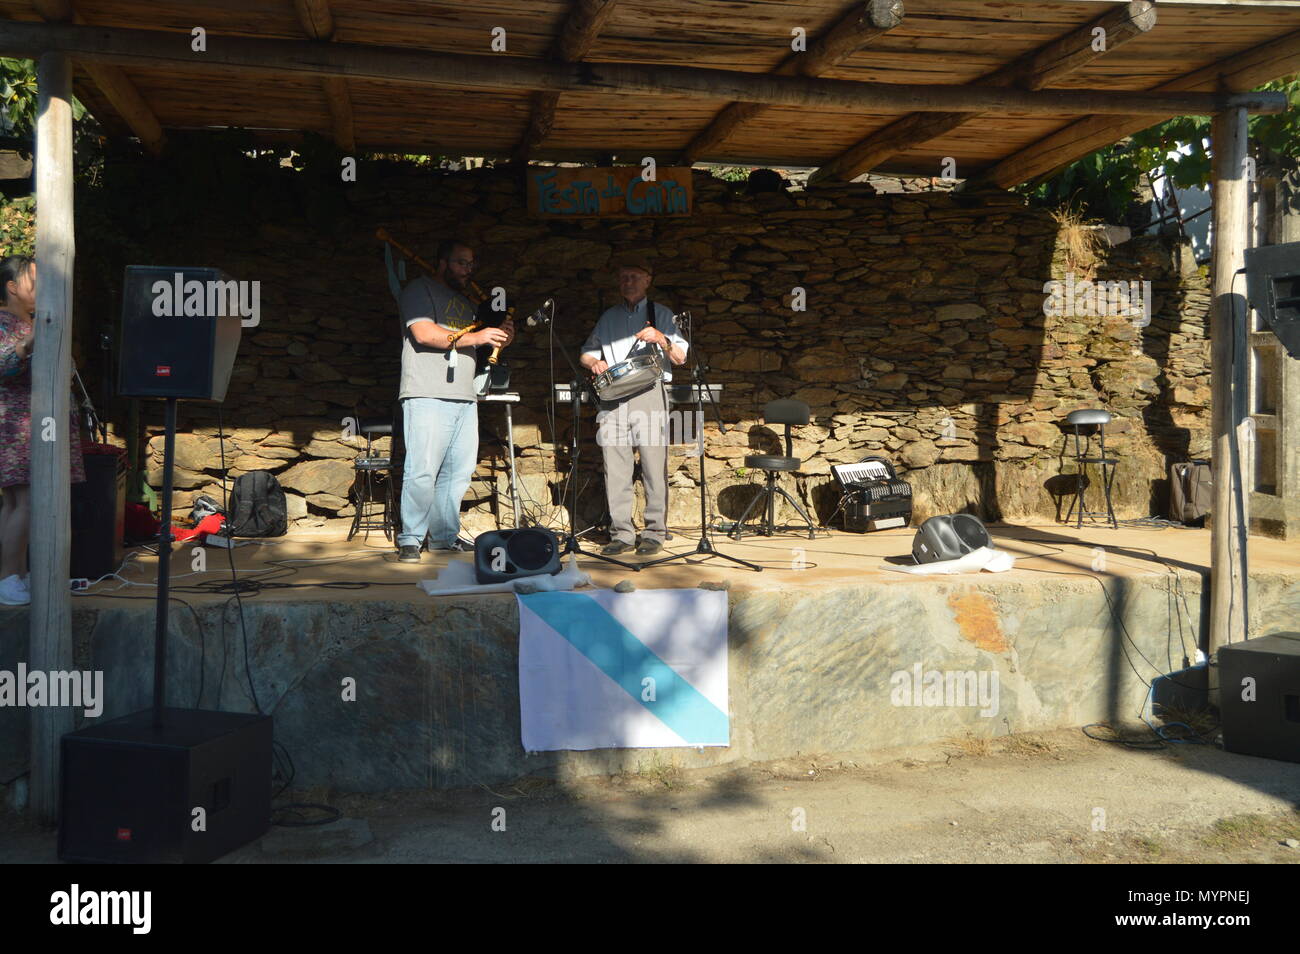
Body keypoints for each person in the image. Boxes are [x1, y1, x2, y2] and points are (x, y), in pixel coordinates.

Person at [396, 239, 513, 563]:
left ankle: (444, 538)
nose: (468, 270)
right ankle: (411, 538)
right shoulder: (419, 290)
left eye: (470, 264)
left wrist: (498, 337)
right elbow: (423, 333)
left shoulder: (464, 302)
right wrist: (477, 336)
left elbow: (475, 345)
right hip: (427, 391)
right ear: (443, 263)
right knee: (422, 470)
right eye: (461, 263)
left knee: (458, 473)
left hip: (464, 394)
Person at [580, 260, 687, 556]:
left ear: (648, 280)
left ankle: (654, 532)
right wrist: (594, 362)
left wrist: (661, 338)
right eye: (623, 276)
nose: (628, 281)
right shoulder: (608, 317)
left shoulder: (661, 314)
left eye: (634, 276)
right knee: (615, 467)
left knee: (654, 465)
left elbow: (680, 358)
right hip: (613, 396)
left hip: (649, 393)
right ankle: (622, 534)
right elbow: (587, 353)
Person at [0, 255, 85, 605]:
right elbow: (4, 365)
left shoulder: (27, 323)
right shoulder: (5, 325)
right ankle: (9, 578)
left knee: (17, 503)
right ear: (12, 287)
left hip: (37, 424)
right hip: (19, 426)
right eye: (34, 281)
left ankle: (18, 575)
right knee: (28, 502)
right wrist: (30, 342)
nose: (42, 288)